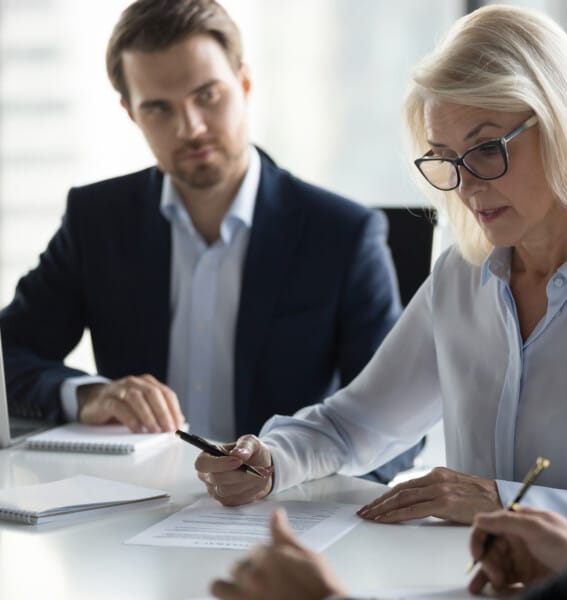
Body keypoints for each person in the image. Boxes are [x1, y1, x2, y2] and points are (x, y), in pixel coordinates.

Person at [208, 18, 567, 600]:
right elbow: (355, 424)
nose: (467, 186)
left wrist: (509, 500)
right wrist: (271, 459)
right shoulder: (462, 276)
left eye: (487, 149)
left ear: (563, 128)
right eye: (446, 157)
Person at [0, 0, 421, 484]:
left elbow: (396, 431)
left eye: (208, 95)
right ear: (131, 113)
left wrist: (305, 486)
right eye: (159, 108)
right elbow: (9, 355)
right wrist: (88, 396)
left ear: (244, 83)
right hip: (132, 512)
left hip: (284, 513)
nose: (190, 127)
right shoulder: (97, 220)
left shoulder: (343, 234)